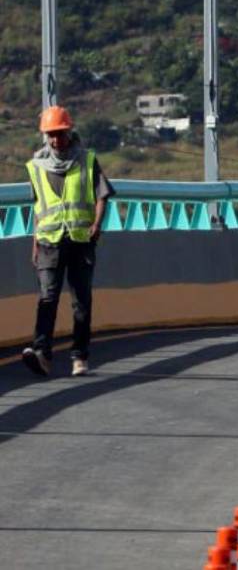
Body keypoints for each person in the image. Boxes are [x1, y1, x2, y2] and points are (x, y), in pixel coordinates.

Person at [21, 106, 113, 379]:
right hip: (49, 242)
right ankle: (41, 354)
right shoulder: (36, 166)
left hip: (81, 240)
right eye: (51, 135)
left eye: (60, 134)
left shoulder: (86, 160)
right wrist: (35, 241)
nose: (55, 140)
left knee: (80, 302)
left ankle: (79, 356)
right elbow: (39, 207)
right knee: (47, 298)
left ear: (69, 132)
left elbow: (102, 195)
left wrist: (97, 224)